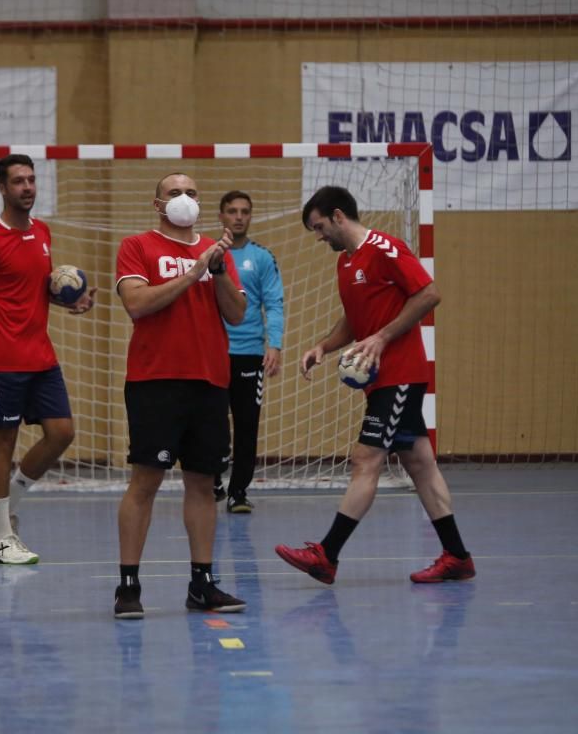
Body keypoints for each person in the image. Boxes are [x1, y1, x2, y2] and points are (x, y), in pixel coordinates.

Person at [274, 186, 476, 585]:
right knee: (419, 462)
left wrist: (383, 338)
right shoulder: (346, 264)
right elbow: (354, 319)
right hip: (383, 380)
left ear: (337, 216)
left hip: (400, 373)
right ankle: (457, 557)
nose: (318, 237)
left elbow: (428, 294)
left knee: (365, 460)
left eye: (319, 228)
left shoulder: (385, 247)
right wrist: (324, 346)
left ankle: (326, 555)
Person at [0, 153, 96, 566]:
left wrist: (71, 300)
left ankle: (3, 503)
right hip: (0, 358)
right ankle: (0, 538)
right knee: (3, 442)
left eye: (31, 180)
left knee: (62, 432)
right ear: (1, 188)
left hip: (40, 356)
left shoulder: (43, 232)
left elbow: (33, 288)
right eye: (18, 181)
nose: (27, 187)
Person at [112, 172, 250, 619]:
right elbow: (138, 303)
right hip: (156, 380)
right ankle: (128, 585)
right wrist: (193, 272)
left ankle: (203, 583)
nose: (184, 199)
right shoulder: (138, 246)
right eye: (174, 193)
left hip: (209, 381)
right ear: (158, 204)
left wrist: (216, 272)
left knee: (202, 483)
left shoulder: (215, 251)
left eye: (191, 192)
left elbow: (236, 313)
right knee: (146, 481)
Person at [213, 190, 284, 513]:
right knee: (210, 422)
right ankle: (212, 479)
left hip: (249, 354)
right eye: (232, 211)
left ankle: (237, 492)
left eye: (244, 211)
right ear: (221, 216)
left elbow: (274, 303)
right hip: (212, 354)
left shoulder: (262, 258)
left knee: (246, 424)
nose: (239, 216)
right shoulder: (209, 255)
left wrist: (275, 345)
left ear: (250, 216)